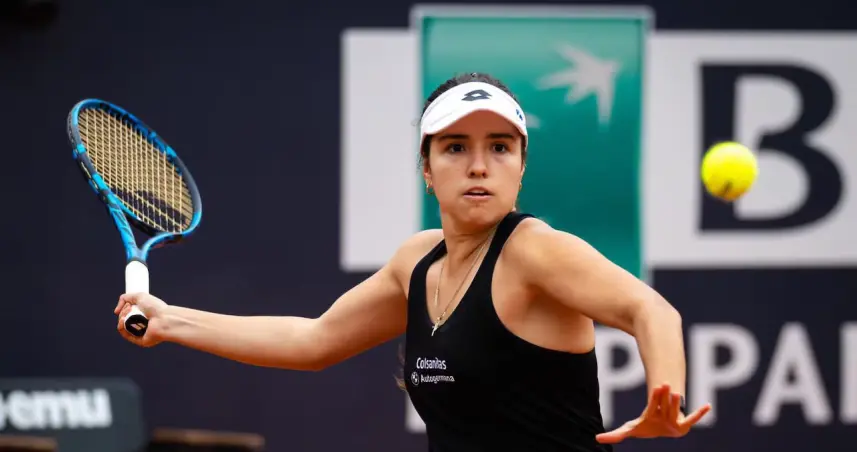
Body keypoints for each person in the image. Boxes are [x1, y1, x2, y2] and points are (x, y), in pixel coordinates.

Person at [115, 72, 711, 451]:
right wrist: (170, 321)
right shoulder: (416, 261)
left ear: (521, 166)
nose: (478, 165)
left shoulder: (536, 249)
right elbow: (314, 341)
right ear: (427, 169)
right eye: (455, 147)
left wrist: (668, 397)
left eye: (499, 147)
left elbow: (650, 310)